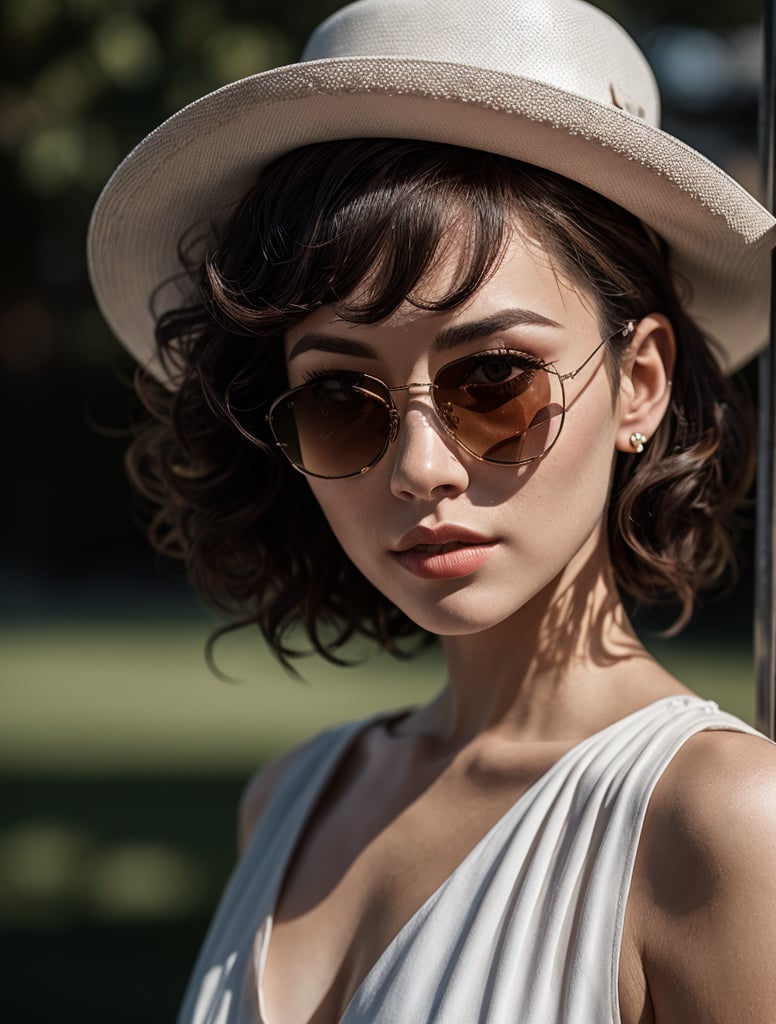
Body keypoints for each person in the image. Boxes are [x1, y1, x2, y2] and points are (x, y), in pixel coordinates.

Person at [88, 0, 776, 1020]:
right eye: (338, 399)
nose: (418, 467)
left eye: (492, 379)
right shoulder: (286, 796)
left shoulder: (720, 822)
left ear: (638, 382)